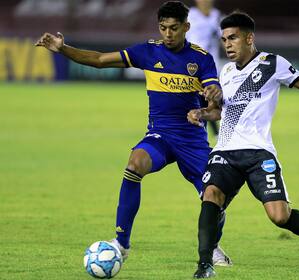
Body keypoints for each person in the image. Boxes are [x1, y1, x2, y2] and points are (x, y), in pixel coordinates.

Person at [35, 1, 232, 266]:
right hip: (160, 136)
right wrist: (63, 49)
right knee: (134, 163)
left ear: (186, 27)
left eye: (174, 28)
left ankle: (213, 247)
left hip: (193, 141)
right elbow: (100, 60)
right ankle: (121, 243)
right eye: (163, 28)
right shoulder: (148, 51)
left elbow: (215, 107)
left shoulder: (201, 59)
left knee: (214, 196)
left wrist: (210, 102)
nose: (168, 34)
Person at [187, 11, 299, 278]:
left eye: (233, 38)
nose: (227, 44)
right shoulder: (224, 71)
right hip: (225, 150)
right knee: (210, 194)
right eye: (224, 39)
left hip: (259, 153)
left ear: (249, 38)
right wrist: (201, 113)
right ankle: (205, 264)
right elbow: (220, 111)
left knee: (279, 216)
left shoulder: (272, 63)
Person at [186, 0, 222, 138]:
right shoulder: (190, 15)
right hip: (192, 64)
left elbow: (223, 39)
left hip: (212, 64)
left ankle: (218, 131)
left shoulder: (217, 16)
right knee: (192, 96)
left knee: (213, 97)